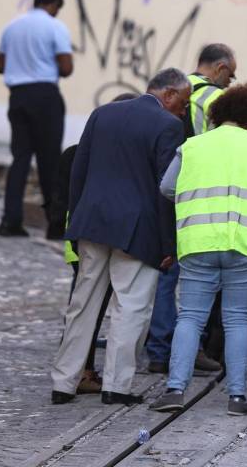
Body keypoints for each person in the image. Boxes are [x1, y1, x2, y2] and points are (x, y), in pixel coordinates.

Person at [50, 69, 190, 406]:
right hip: (137, 229)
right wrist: (169, 245)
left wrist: (76, 223)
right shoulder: (168, 126)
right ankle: (116, 386)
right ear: (169, 94)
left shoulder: (103, 113)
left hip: (92, 222)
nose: (184, 111)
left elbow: (78, 173)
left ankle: (63, 382)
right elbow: (165, 190)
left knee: (83, 304)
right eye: (184, 103)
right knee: (131, 306)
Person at [150, 84, 247, 417]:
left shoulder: (192, 145)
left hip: (197, 243)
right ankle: (237, 397)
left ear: (217, 114)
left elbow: (167, 187)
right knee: (237, 319)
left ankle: (175, 389)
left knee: (190, 317)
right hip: (243, 243)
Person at [145, 43, 236, 374]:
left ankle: (158, 349)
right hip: (198, 196)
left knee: (165, 276)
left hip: (165, 188)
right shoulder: (215, 98)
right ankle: (184, 350)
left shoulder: (179, 90)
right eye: (231, 74)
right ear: (221, 68)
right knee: (192, 281)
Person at [0, 0, 73, 238]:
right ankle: (54, 226)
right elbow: (66, 67)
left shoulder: (12, 26)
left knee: (19, 159)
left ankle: (10, 221)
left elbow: (0, 65)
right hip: (45, 96)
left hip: (17, 97)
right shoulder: (55, 27)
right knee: (49, 160)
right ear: (52, 4)